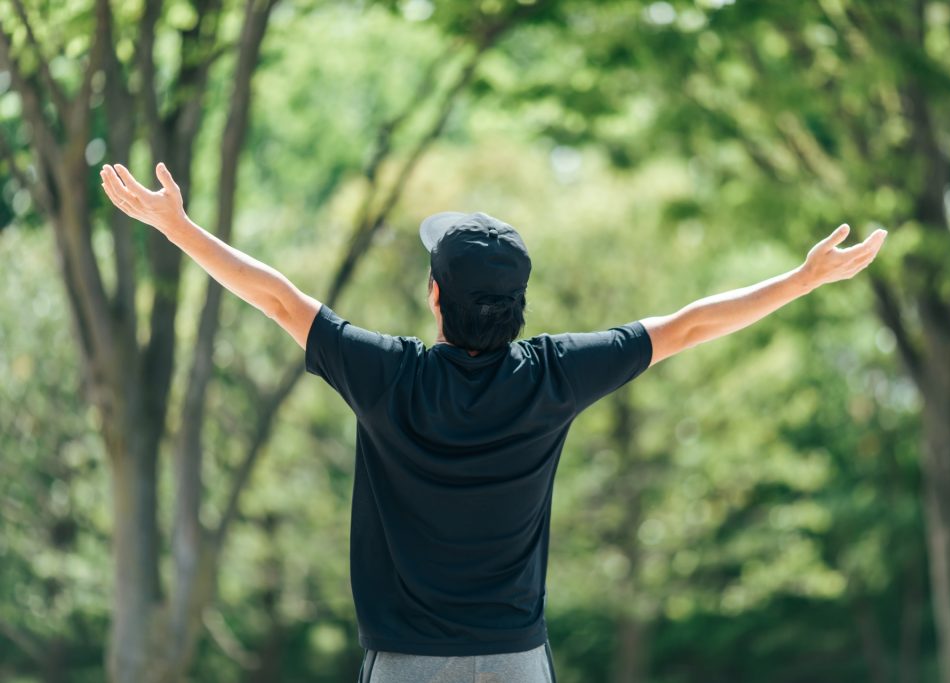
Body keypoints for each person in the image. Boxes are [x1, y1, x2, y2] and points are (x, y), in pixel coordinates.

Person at [100, 162, 887, 683]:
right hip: (515, 660)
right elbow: (685, 326)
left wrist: (176, 227)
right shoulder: (552, 376)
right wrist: (803, 278)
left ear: (436, 297)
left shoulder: (387, 376)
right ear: (516, 308)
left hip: (406, 662)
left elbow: (278, 297)